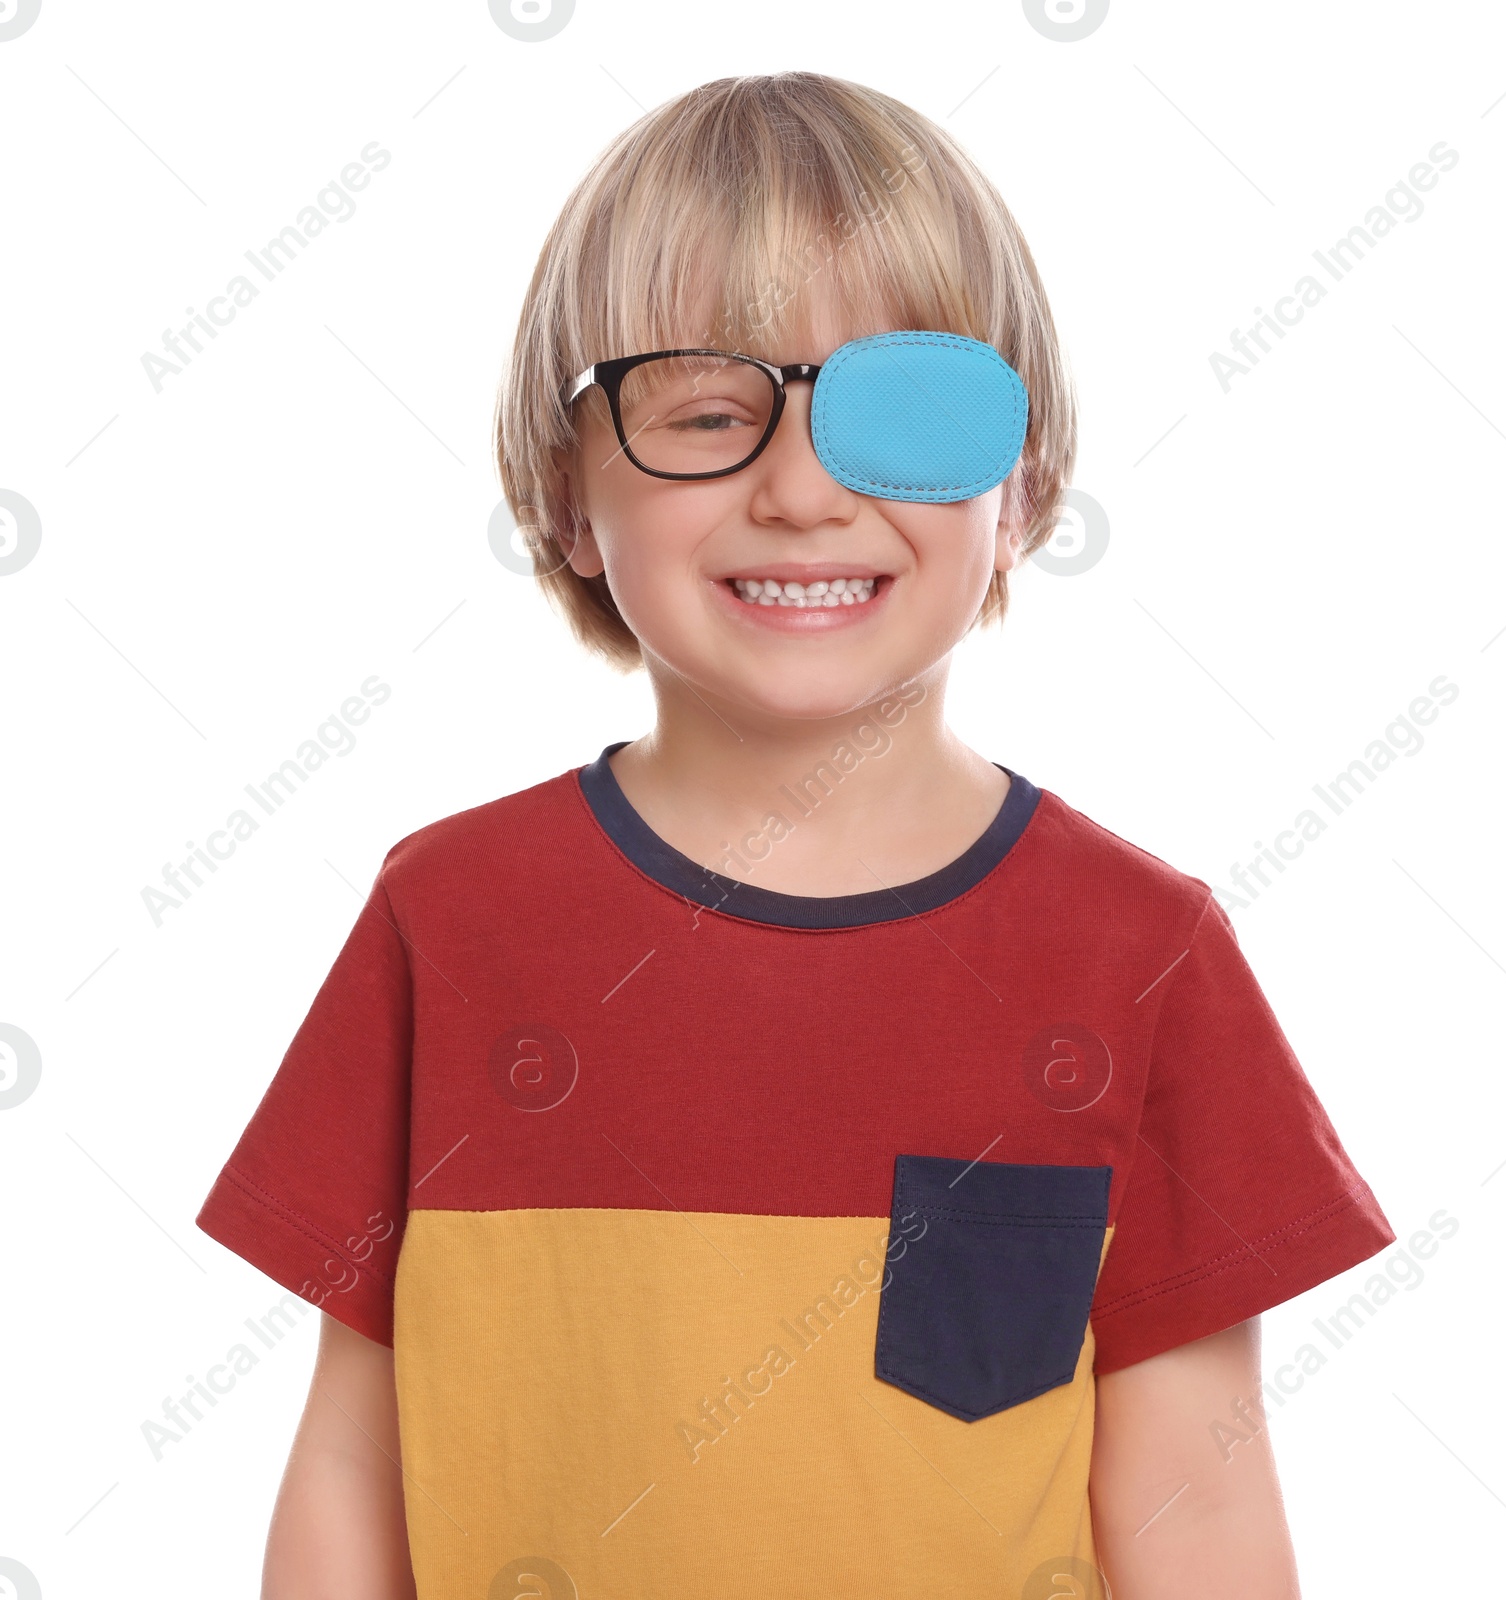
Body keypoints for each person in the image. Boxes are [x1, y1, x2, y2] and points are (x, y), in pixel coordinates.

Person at [197, 71, 1394, 1600]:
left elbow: (1200, 1509)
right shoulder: (451, 920)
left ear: (1018, 485)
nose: (802, 490)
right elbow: (352, 1460)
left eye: (903, 413)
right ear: (570, 497)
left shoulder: (1143, 955)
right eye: (703, 412)